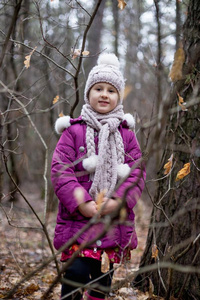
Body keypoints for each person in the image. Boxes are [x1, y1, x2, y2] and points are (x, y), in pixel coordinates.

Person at [51, 53, 146, 300]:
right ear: (88, 94)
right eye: (98, 88)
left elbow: (137, 173)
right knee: (76, 273)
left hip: (112, 223)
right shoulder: (73, 131)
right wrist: (82, 203)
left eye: (111, 90)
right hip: (78, 220)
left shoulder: (126, 135)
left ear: (119, 97)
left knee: (101, 282)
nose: (104, 94)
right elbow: (61, 170)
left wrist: (119, 201)